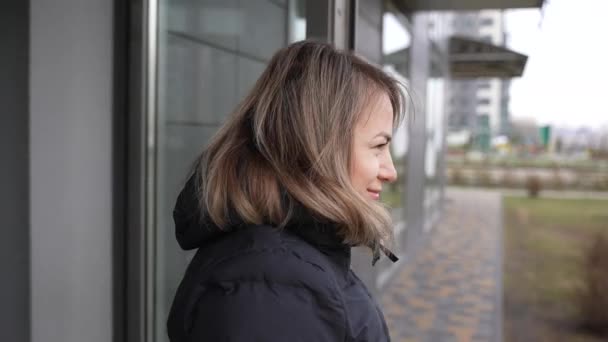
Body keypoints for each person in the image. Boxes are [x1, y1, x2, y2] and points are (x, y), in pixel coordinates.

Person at [167, 40, 407, 342]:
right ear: (316, 146)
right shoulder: (272, 280)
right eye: (379, 146)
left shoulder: (287, 264)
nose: (390, 171)